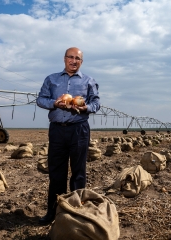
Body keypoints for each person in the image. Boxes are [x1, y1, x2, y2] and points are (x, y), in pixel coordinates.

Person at [36, 47, 100, 225]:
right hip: (57, 129)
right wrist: (54, 103)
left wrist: (85, 108)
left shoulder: (89, 81)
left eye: (77, 58)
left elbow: (96, 102)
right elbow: (40, 99)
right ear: (64, 59)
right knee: (57, 173)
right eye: (70, 57)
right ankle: (53, 212)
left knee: (78, 173)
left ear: (82, 61)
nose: (74, 61)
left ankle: (76, 213)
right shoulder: (51, 79)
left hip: (79, 129)